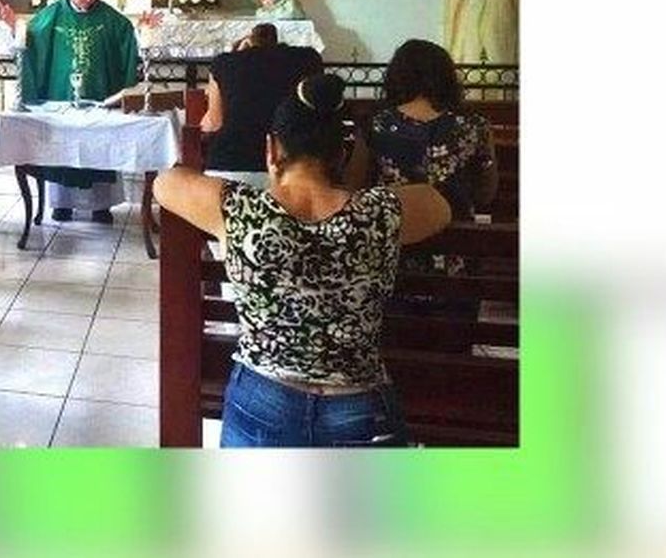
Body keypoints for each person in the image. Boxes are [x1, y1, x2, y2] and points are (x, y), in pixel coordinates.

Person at [154, 73, 452, 447]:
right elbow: (439, 205)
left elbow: (165, 183)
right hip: (359, 406)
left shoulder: (242, 209)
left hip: (263, 397)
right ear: (342, 153)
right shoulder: (380, 213)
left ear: (272, 149)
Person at [8, 0, 140, 223]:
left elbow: (126, 34)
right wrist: (16, 29)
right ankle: (62, 204)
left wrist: (141, 29)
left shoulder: (108, 17)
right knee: (62, 148)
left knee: (98, 146)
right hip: (61, 97)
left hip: (97, 96)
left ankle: (101, 206)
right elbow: (30, 38)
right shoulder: (53, 14)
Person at [348, 39, 498, 219]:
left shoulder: (375, 123)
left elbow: (354, 185)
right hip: (455, 225)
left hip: (392, 227)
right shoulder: (475, 125)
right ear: (447, 77)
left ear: (397, 76)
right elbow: (486, 192)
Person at [202, 23, 323, 187]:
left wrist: (236, 55)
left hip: (231, 165)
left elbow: (214, 123)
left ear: (248, 42)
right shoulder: (309, 59)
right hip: (296, 167)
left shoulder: (224, 63)